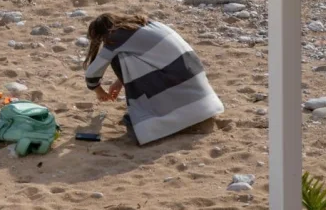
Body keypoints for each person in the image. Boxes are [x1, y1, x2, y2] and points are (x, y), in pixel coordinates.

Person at [84, 12, 224, 144]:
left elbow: (92, 74)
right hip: (205, 100)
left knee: (135, 123)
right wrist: (119, 82)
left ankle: (170, 121)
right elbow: (153, 58)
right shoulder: (148, 24)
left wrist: (99, 92)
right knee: (126, 55)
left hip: (184, 96)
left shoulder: (116, 37)